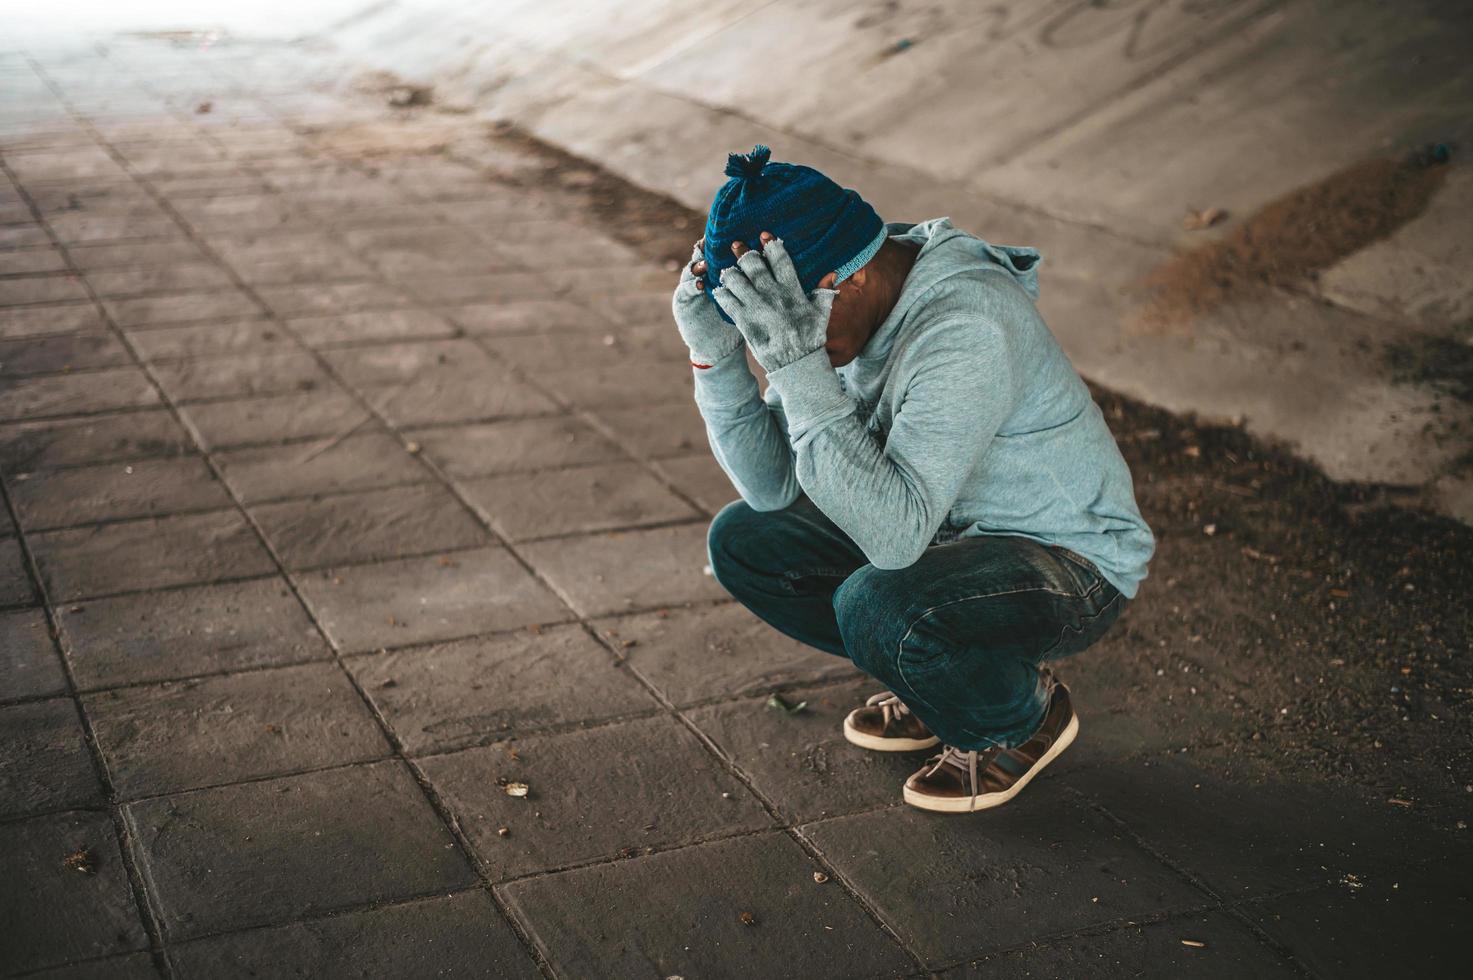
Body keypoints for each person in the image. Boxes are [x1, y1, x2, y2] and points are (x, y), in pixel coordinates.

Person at [671, 145, 1154, 813]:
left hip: (1069, 565)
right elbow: (771, 490)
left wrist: (797, 362)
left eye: (775, 330)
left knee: (879, 603)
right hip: (941, 537)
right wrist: (714, 351)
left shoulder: (964, 325)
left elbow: (893, 544)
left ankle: (1016, 717)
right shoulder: (827, 306)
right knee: (748, 541)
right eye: (759, 330)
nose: (772, 344)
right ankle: (943, 681)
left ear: (854, 280)